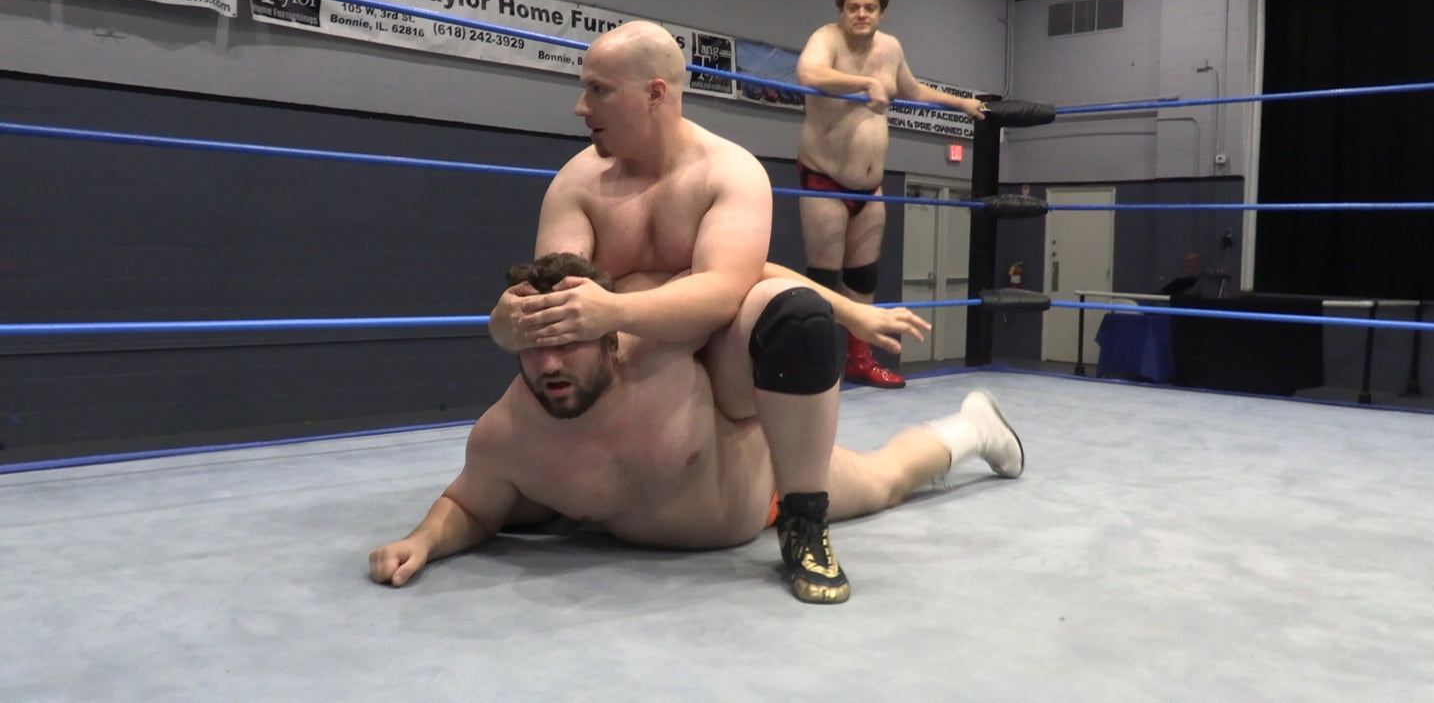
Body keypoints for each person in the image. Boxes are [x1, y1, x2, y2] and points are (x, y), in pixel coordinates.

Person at [370, 253, 1024, 604]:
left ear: (609, 337)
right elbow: (469, 506)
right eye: (534, 349)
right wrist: (422, 540)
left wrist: (851, 313)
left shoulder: (659, 340)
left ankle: (973, 427)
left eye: (567, 343)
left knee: (887, 479)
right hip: (669, 507)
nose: (549, 366)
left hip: (763, 485)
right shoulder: (507, 432)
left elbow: (747, 273)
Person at [485, 20, 863, 600]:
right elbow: (555, 301)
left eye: (598, 90)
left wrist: (613, 310)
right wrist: (507, 322)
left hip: (725, 378)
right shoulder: (576, 183)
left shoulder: (729, 172)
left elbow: (721, 293)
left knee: (798, 317)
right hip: (635, 390)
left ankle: (805, 523)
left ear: (654, 93)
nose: (581, 108)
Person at [796, 0, 988, 389]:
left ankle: (859, 361)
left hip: (871, 187)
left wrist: (961, 103)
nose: (861, 14)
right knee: (823, 281)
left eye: (869, 7)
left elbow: (912, 90)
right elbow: (809, 74)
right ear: (841, 11)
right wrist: (864, 83)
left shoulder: (890, 48)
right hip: (825, 179)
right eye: (853, 7)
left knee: (863, 278)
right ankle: (815, 365)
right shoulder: (827, 38)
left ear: (881, 12)